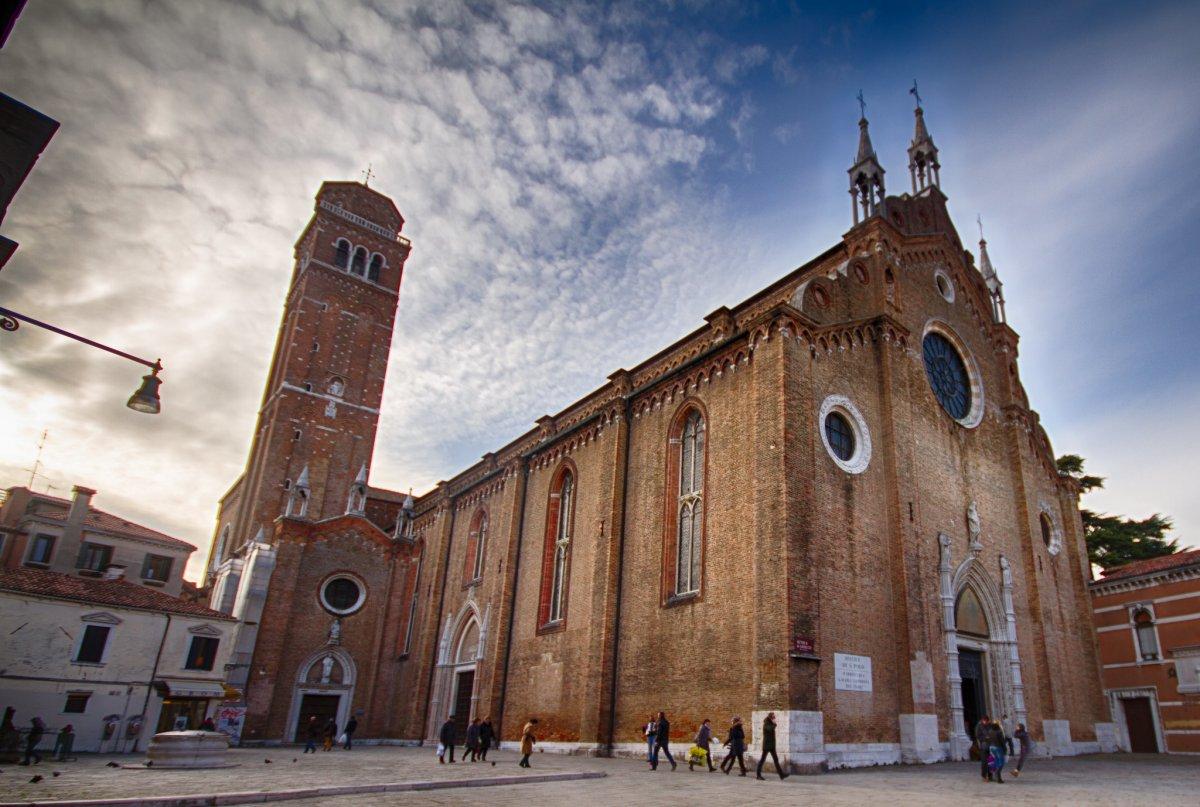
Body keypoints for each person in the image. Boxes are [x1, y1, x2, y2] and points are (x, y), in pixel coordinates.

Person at [755, 711, 788, 780]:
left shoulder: (769, 722)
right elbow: (770, 729)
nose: (775, 717)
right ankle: (758, 775)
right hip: (767, 746)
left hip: (771, 746)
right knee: (762, 760)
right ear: (771, 717)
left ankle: (781, 775)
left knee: (776, 760)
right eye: (773, 716)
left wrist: (773, 724)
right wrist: (774, 724)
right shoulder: (766, 723)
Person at [985, 716, 1006, 784]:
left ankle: (996, 776)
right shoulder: (999, 732)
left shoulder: (990, 731)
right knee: (1001, 762)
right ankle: (998, 774)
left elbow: (987, 739)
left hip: (992, 747)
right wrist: (1005, 749)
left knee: (996, 761)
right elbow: (1002, 741)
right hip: (998, 747)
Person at [974, 714, 992, 781]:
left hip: (990, 745)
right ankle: (984, 776)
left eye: (987, 721)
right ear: (982, 720)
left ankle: (990, 775)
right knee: (984, 762)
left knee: (991, 760)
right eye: (985, 721)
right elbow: (978, 735)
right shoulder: (979, 726)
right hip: (983, 746)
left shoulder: (990, 725)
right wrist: (985, 738)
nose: (986, 722)